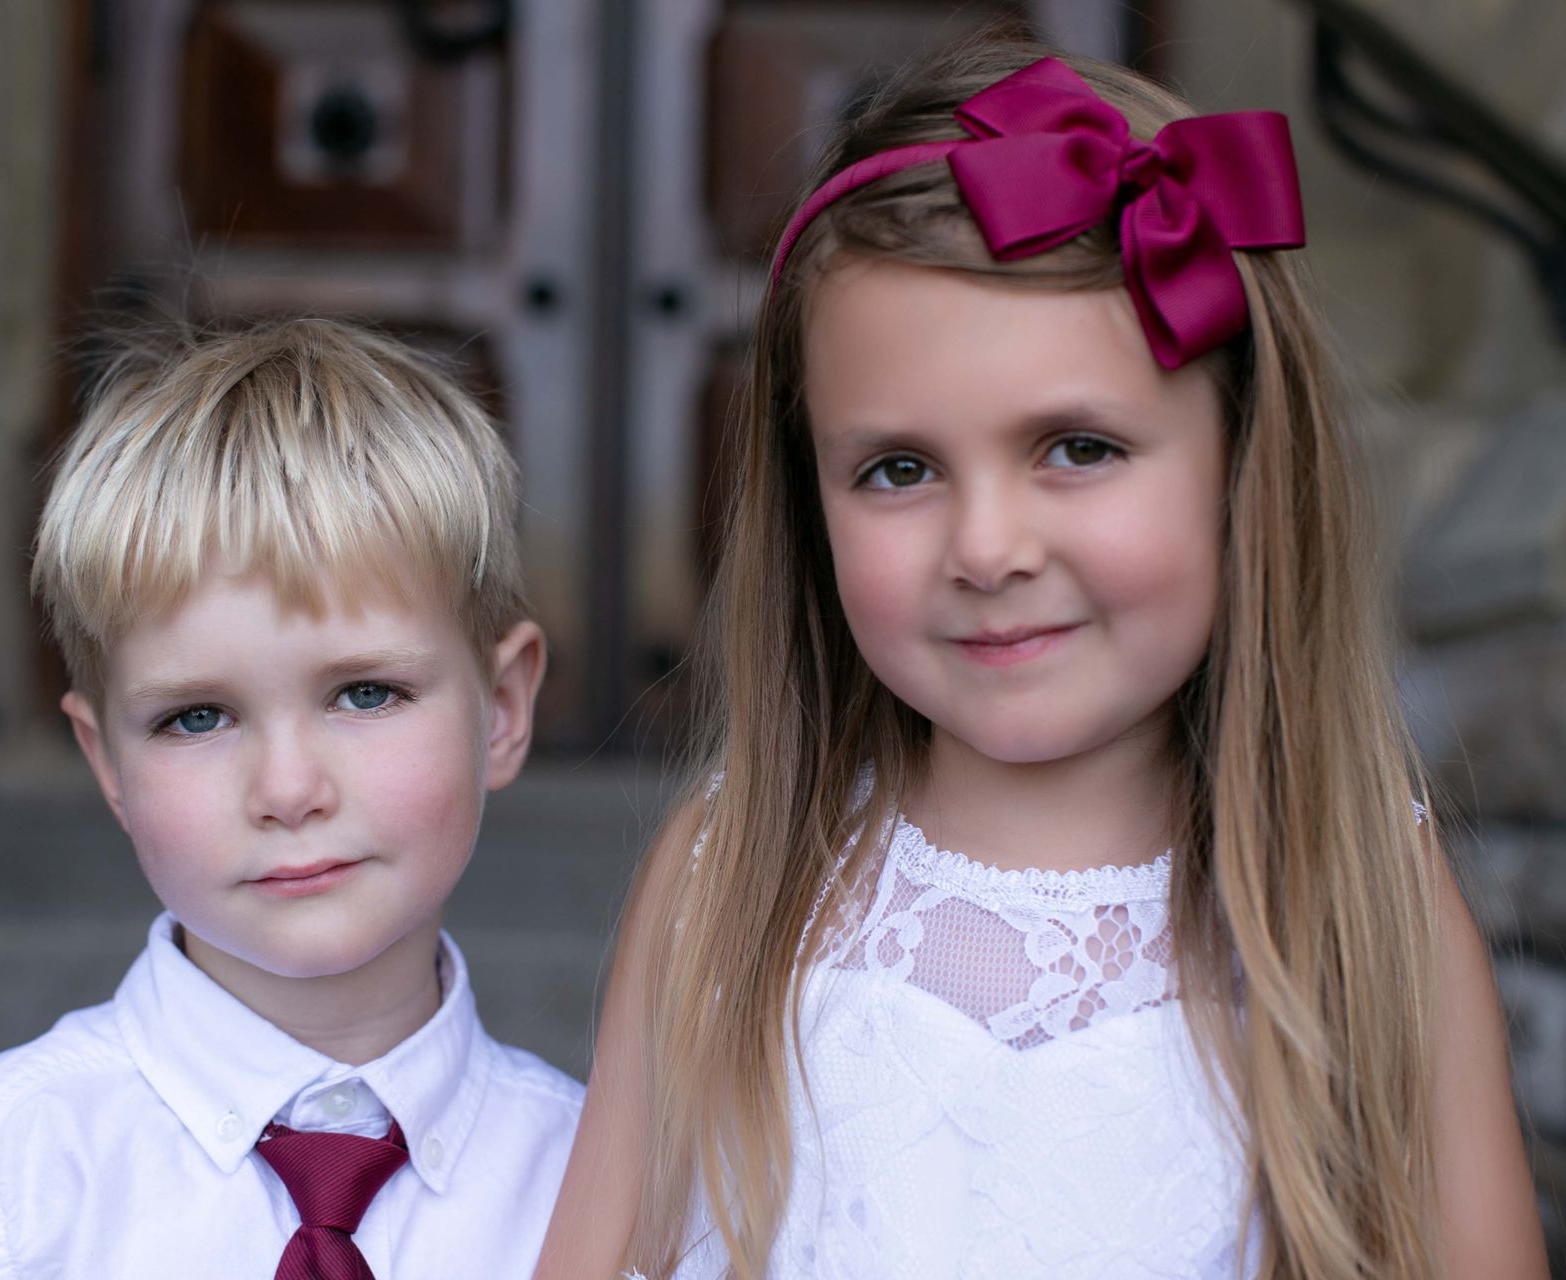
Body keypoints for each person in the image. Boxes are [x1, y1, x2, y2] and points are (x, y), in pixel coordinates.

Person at [537, 40, 1547, 1280]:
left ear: (1242, 469)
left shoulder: (1362, 893)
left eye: (1076, 447)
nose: (988, 546)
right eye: (898, 469)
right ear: (812, 510)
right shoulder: (726, 883)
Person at [0, 317, 582, 1279]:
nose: (288, 790)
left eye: (364, 693)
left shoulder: (601, 1187)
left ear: (504, 709)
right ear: (107, 764)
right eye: (196, 718)